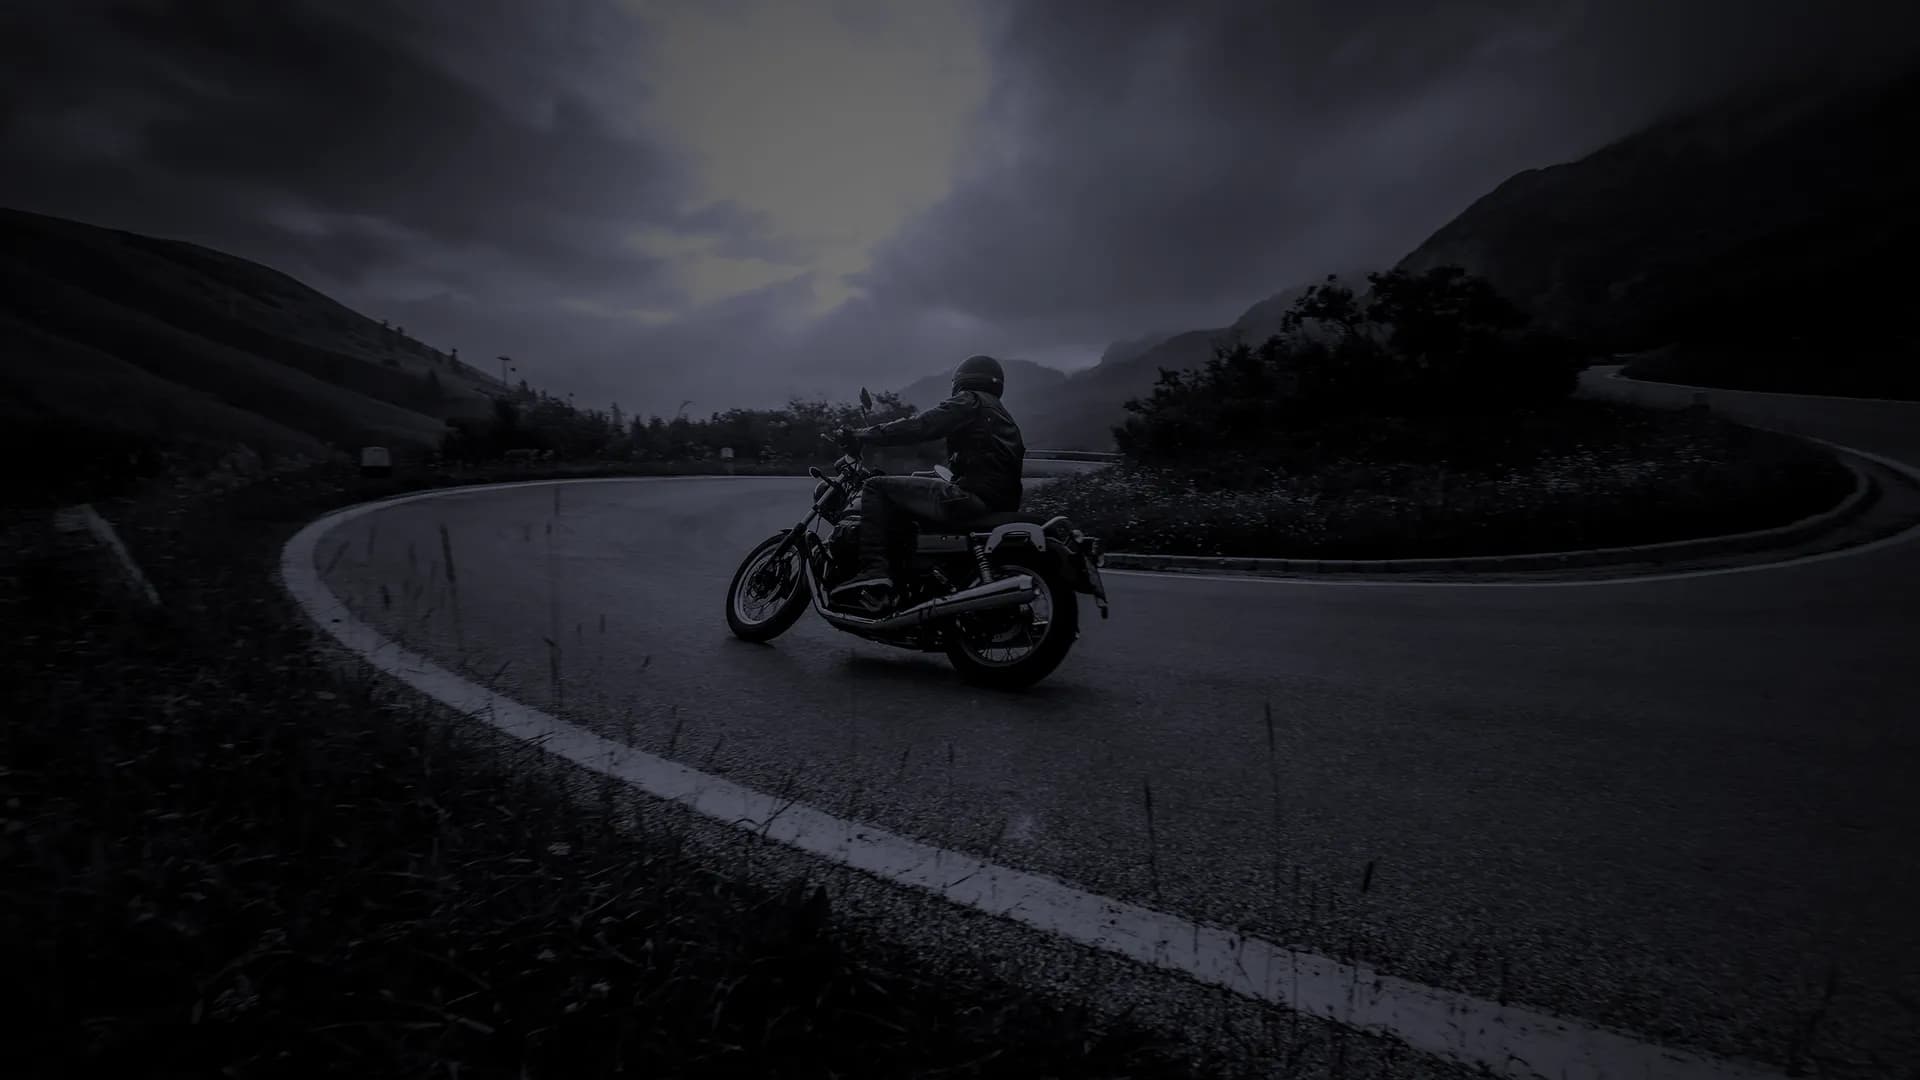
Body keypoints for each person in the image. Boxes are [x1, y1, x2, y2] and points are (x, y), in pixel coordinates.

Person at [828, 354, 1026, 611]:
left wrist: (863, 435)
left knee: (875, 486)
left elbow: (922, 425)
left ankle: (874, 570)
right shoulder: (1006, 418)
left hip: (969, 497)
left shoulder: (971, 401)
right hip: (995, 502)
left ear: (962, 380)